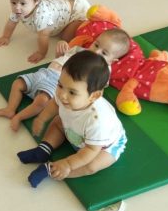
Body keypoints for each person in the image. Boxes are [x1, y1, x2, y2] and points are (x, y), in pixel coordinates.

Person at [17, 50, 127, 188]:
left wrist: (67, 164)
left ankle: (50, 170)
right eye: (60, 85)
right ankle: (43, 150)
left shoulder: (98, 121)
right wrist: (42, 118)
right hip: (75, 131)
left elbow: (91, 150)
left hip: (101, 146)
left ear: (93, 96)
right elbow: (54, 104)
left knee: (91, 166)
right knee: (57, 122)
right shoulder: (64, 96)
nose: (62, 95)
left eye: (72, 92)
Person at [0, 28, 131, 131]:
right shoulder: (79, 50)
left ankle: (19, 117)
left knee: (42, 100)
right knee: (18, 83)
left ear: (113, 61)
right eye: (96, 45)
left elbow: (94, 88)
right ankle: (10, 109)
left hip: (59, 83)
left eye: (104, 53)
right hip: (45, 72)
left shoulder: (103, 71)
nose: (96, 52)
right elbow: (61, 57)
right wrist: (60, 50)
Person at [0, 0, 91, 63]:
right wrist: (5, 37)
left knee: (66, 37)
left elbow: (43, 36)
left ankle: (85, 24)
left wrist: (41, 53)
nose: (17, 7)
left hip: (75, 10)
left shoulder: (41, 15)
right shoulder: (18, 10)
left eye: (23, 3)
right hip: (61, 6)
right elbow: (11, 22)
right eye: (13, 2)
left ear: (37, 1)